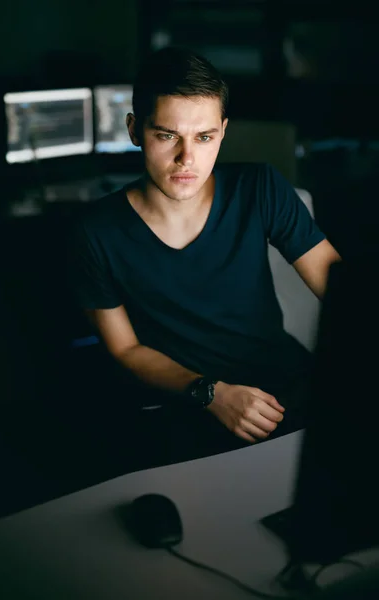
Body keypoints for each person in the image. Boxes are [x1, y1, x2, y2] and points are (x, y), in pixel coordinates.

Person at [68, 47, 341, 475]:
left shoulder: (260, 188)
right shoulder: (95, 230)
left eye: (204, 137)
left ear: (223, 132)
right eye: (167, 135)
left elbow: (339, 287)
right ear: (135, 130)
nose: (187, 159)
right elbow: (125, 348)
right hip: (184, 404)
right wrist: (212, 394)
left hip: (288, 386)